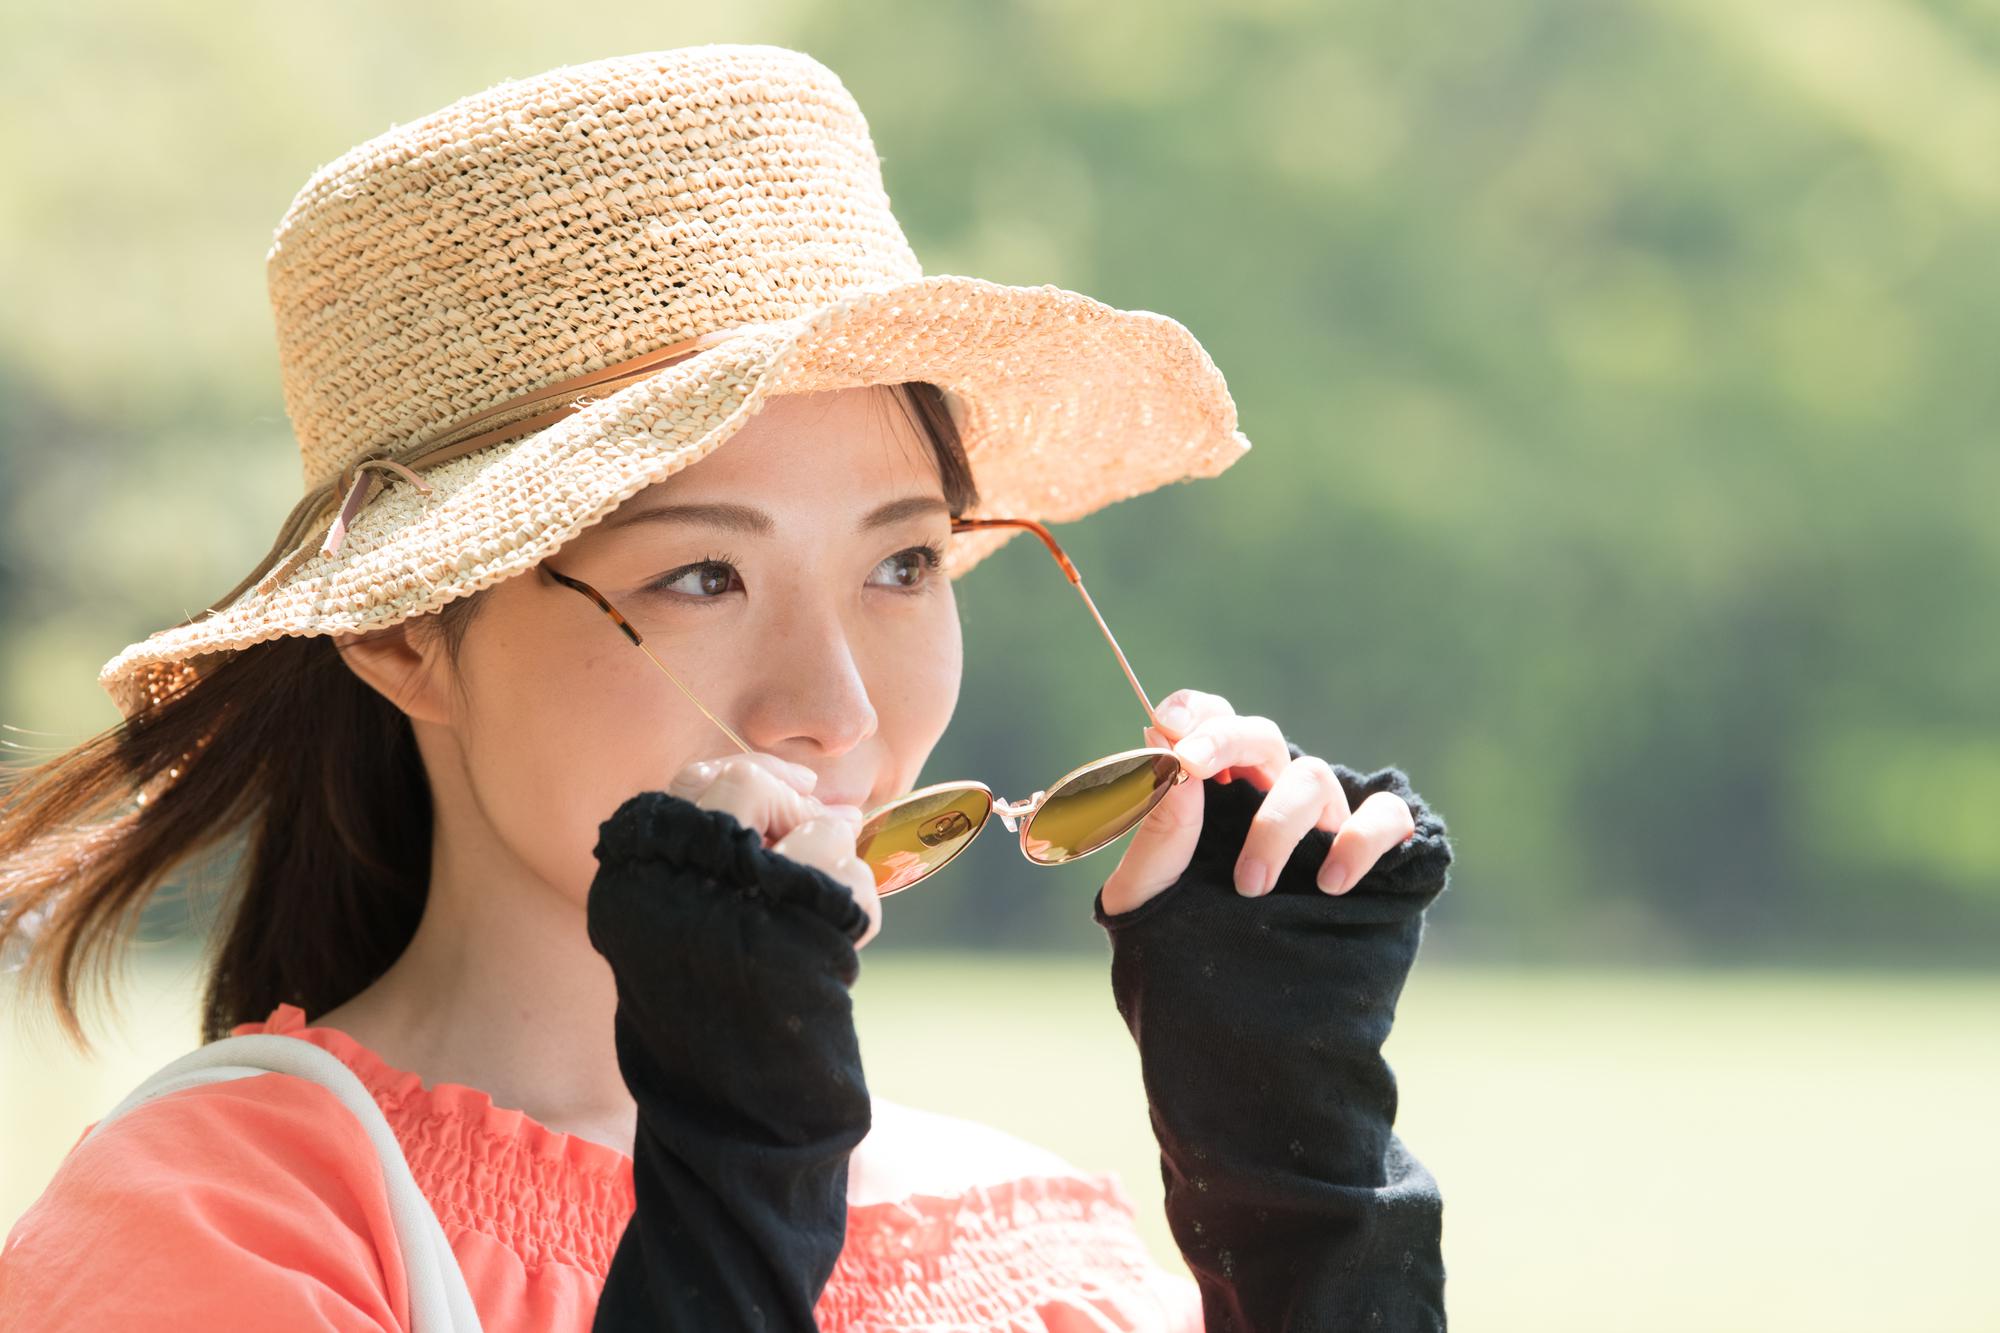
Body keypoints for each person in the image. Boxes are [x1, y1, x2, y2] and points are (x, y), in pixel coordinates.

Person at [0, 44, 1454, 1332]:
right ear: (400, 634)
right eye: (701, 575)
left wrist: (1301, 1182)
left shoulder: (1043, 1248)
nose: (841, 711)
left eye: (903, 565)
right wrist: (738, 1176)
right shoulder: (222, 1228)